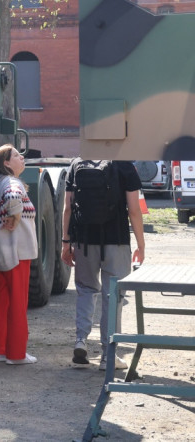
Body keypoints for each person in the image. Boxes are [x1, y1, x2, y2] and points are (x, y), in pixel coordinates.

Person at [61, 159, 145, 371]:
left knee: (85, 290)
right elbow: (134, 209)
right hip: (116, 240)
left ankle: (80, 341)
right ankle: (109, 354)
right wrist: (141, 245)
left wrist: (66, 242)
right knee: (113, 295)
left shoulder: (76, 163)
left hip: (84, 241)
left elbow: (67, 207)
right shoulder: (124, 164)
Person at [0, 144, 39, 364]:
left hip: (2, 251)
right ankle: (16, 354)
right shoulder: (12, 182)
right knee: (18, 303)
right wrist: (16, 215)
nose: (22, 158)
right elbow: (14, 196)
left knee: (3, 301)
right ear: (6, 163)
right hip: (18, 253)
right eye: (17, 156)